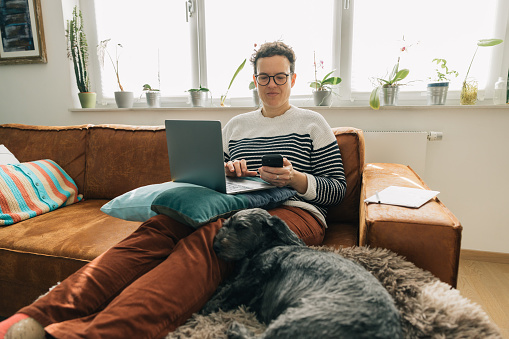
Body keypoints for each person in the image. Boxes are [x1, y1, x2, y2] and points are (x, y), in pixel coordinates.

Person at [0, 41, 346, 339]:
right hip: (232, 203)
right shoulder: (237, 126)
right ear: (254, 79)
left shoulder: (313, 123)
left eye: (280, 76)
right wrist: (226, 170)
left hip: (293, 213)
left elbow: (336, 189)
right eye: (264, 77)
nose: (272, 84)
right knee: (159, 228)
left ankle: (98, 333)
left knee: (210, 242)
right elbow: (215, 176)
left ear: (293, 79)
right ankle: (35, 316)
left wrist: (294, 179)